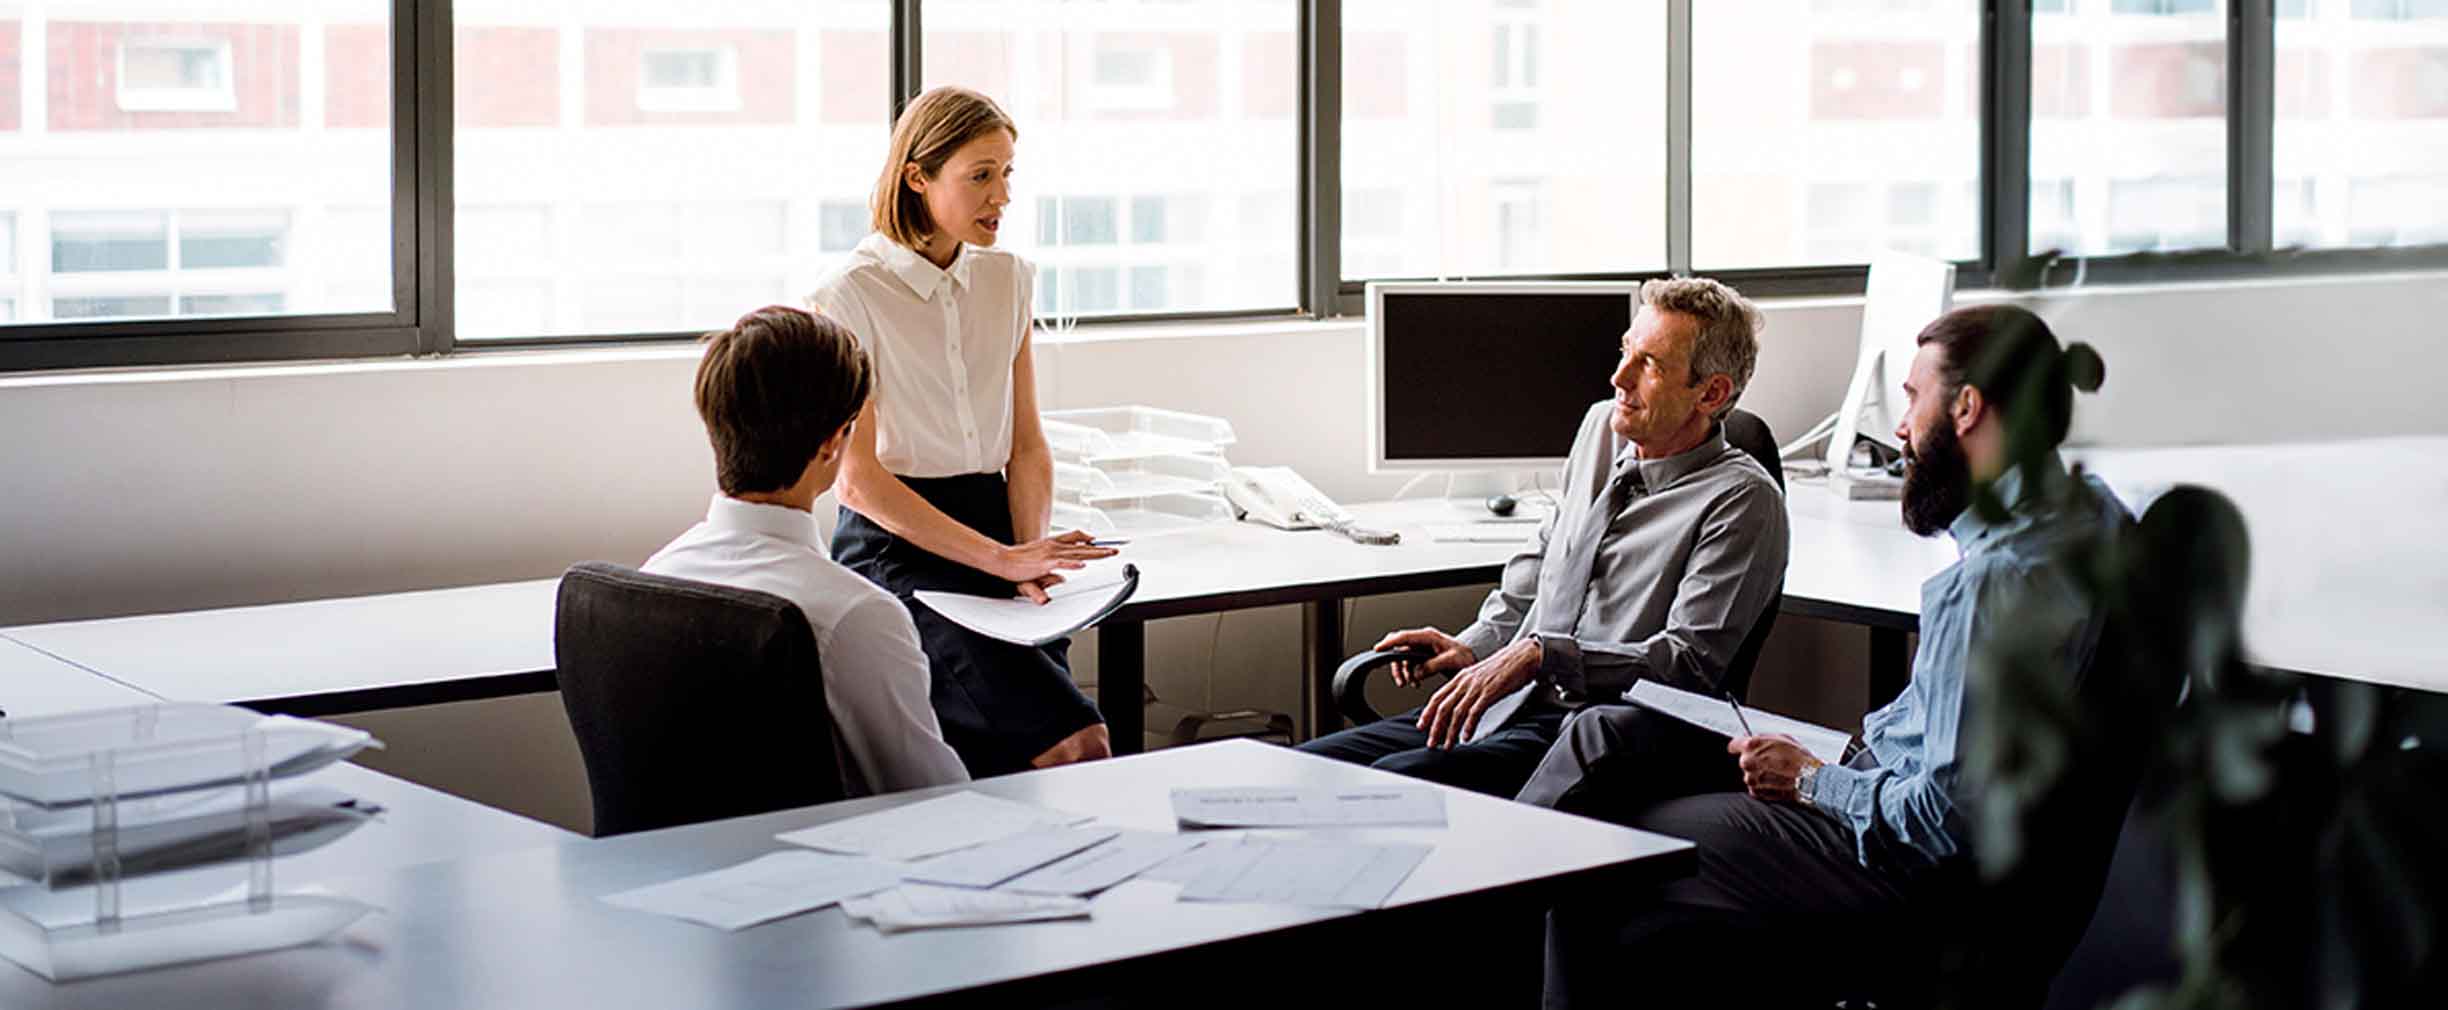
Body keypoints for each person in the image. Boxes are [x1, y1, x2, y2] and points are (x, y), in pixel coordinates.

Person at [1526, 303, 2132, 1007]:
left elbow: (1939, 822)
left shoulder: (1992, 587)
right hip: (1959, 842)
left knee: (1599, 858)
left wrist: (1813, 780)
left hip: (1901, 870)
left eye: (1912, 400)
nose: (1901, 428)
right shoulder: (2096, 516)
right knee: (1615, 736)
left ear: (1966, 408)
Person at [1294, 277, 1790, 798]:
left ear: (1710, 393)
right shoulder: (1602, 428)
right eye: (1627, 351)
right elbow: (1540, 567)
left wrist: (1539, 655)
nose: (1619, 377)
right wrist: (1475, 646)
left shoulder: (1743, 501)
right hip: (1507, 704)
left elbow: (1686, 662)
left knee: (1379, 793)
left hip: (1588, 730)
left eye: (1650, 365)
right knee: (1300, 773)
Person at [808, 87, 1117, 778]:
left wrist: (1026, 552)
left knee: (1026, 760)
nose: (1000, 195)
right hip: (900, 548)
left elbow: (1028, 445)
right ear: (918, 176)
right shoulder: (848, 294)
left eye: (1008, 173)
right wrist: (1001, 561)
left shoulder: (1008, 279)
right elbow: (856, 479)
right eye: (980, 175)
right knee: (1074, 747)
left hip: (1000, 529)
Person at [643, 305, 969, 796]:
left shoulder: (653, 578)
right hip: (832, 866)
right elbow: (934, 799)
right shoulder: (855, 616)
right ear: (833, 443)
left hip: (677, 866)